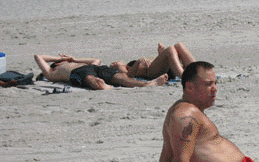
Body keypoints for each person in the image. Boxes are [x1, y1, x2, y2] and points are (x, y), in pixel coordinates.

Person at [34, 54, 168, 90]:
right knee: (89, 79)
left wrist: (73, 58)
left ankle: (146, 85)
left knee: (119, 77)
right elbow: (38, 57)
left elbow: (96, 60)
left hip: (96, 68)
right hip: (78, 72)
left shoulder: (74, 62)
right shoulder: (52, 72)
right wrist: (59, 59)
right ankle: (100, 85)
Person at [112, 43, 196, 81]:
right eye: (112, 65)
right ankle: (185, 77)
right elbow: (129, 75)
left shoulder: (126, 63)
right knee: (170, 49)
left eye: (114, 62)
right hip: (149, 73)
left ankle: (197, 70)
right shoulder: (121, 68)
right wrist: (138, 62)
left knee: (179, 45)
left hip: (159, 68)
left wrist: (160, 55)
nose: (114, 63)